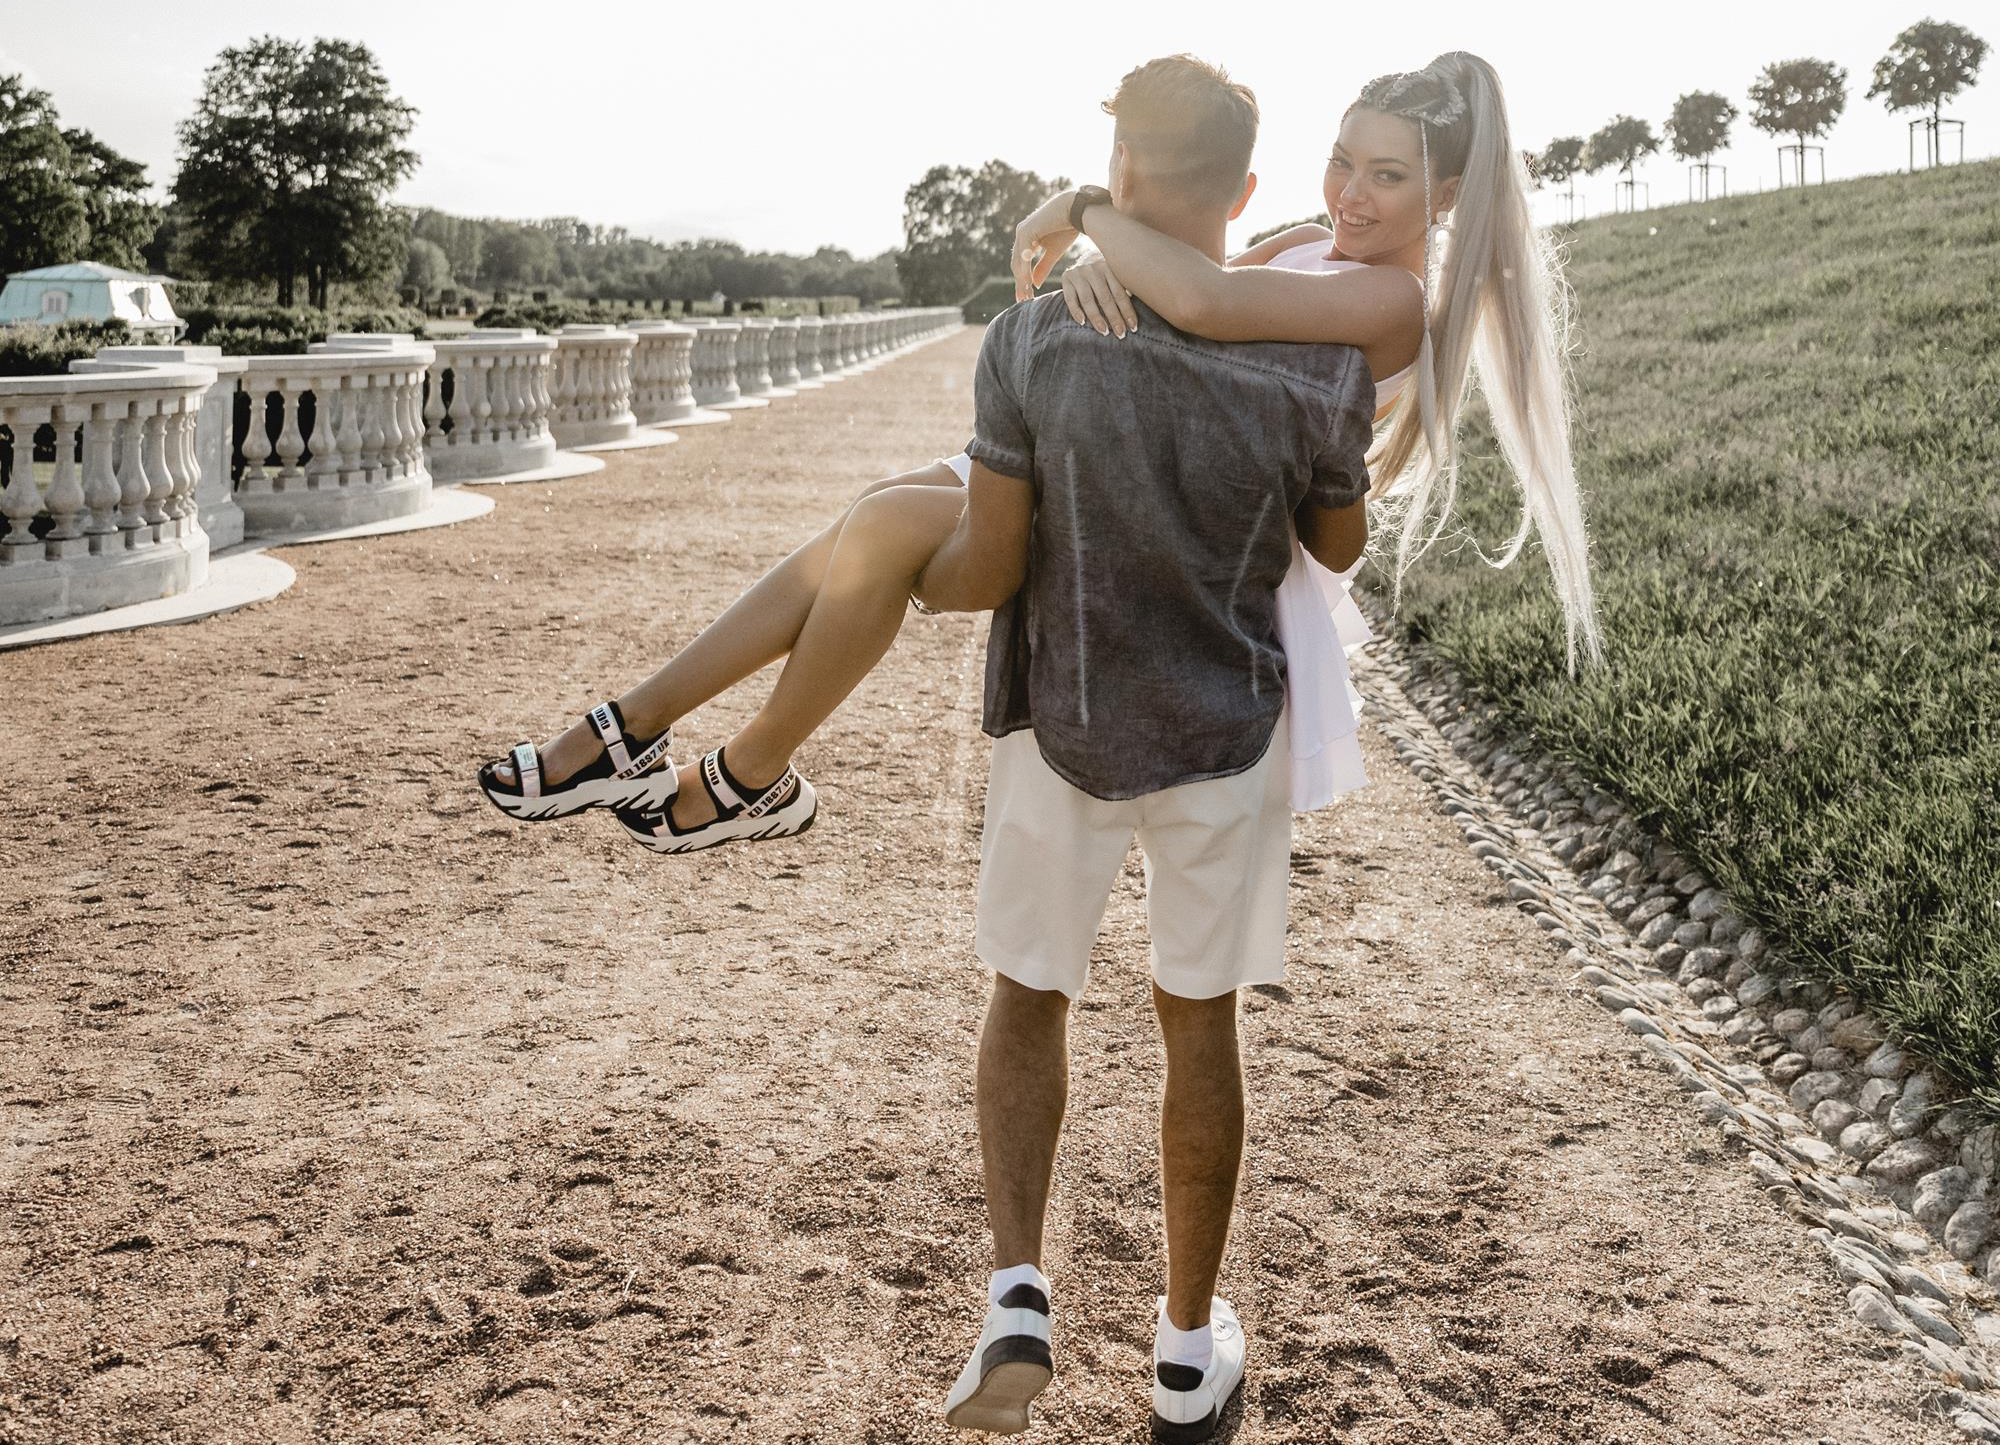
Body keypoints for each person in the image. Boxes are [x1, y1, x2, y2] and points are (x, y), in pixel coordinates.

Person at [474, 48, 1593, 848]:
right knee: (873, 513)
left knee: (886, 524)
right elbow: (1182, 296)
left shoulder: (1396, 303)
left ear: (1444, 196)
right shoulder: (1317, 240)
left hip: (1175, 515)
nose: (1348, 193)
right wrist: (1105, 261)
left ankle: (742, 769)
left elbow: (1201, 300)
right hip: (1116, 453)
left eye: (1385, 176)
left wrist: (1080, 212)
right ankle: (636, 730)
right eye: (1342, 158)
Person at [926, 52, 1375, 1441]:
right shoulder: (1314, 350)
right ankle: (1188, 1342)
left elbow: (991, 564)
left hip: (1060, 713)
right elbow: (1339, 546)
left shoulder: (1034, 337)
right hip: (1225, 728)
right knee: (1201, 1022)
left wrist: (898, 565)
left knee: (1030, 991)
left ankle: (1015, 1291)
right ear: (1245, 190)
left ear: (1115, 176)